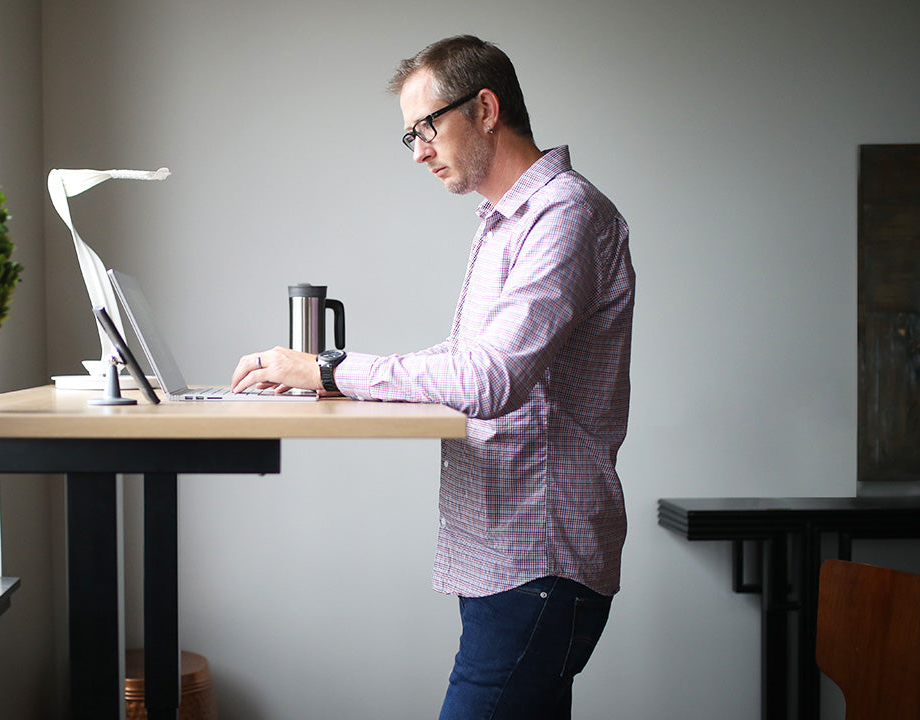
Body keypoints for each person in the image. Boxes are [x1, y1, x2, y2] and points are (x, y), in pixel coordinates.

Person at [230, 34, 634, 719]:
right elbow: (468, 365)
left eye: (425, 127)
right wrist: (333, 376)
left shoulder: (565, 215)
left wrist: (327, 367)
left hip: (537, 560)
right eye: (409, 135)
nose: (417, 150)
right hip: (506, 556)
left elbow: (488, 378)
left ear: (484, 108)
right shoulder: (506, 222)